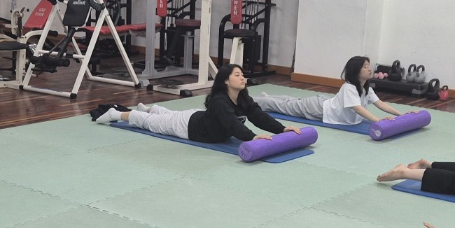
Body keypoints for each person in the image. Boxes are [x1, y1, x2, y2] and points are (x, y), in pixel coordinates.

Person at [89, 64, 303, 144]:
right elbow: (231, 124)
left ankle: (152, 109)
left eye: (242, 75)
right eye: (237, 75)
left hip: (197, 118)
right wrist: (253, 137)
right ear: (226, 80)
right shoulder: (220, 101)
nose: (243, 78)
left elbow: (258, 116)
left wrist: (282, 129)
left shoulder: (243, 98)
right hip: (188, 127)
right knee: (149, 123)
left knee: (166, 116)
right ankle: (116, 114)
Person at [252, 56, 404, 126]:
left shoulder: (366, 88)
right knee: (286, 107)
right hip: (318, 109)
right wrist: (378, 121)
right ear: (355, 71)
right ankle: (254, 101)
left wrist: (401, 115)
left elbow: (380, 104)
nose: (370, 69)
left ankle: (267, 97)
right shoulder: (349, 87)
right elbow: (358, 108)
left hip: (323, 103)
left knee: (292, 102)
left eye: (369, 66)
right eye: (365, 67)